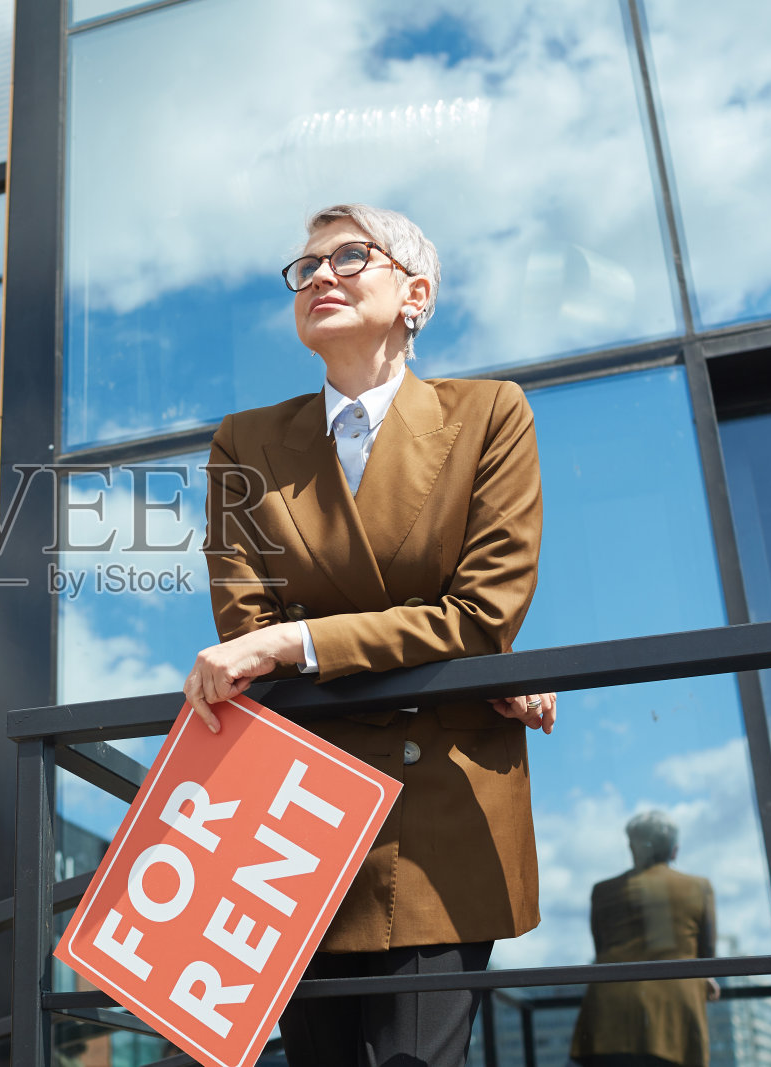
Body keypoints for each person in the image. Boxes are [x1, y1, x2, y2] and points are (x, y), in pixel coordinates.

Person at [182, 203, 557, 1067]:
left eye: (349, 257)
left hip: (444, 811)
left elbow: (483, 611)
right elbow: (243, 625)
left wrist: (298, 643)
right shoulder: (245, 443)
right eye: (305, 266)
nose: (318, 276)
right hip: (297, 818)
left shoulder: (490, 415)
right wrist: (451, 652)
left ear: (415, 292)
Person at [571, 811, 720, 1067]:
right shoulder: (699, 887)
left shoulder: (603, 891)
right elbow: (706, 954)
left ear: (633, 847)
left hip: (609, 1012)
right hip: (676, 1014)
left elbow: (601, 946)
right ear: (674, 850)